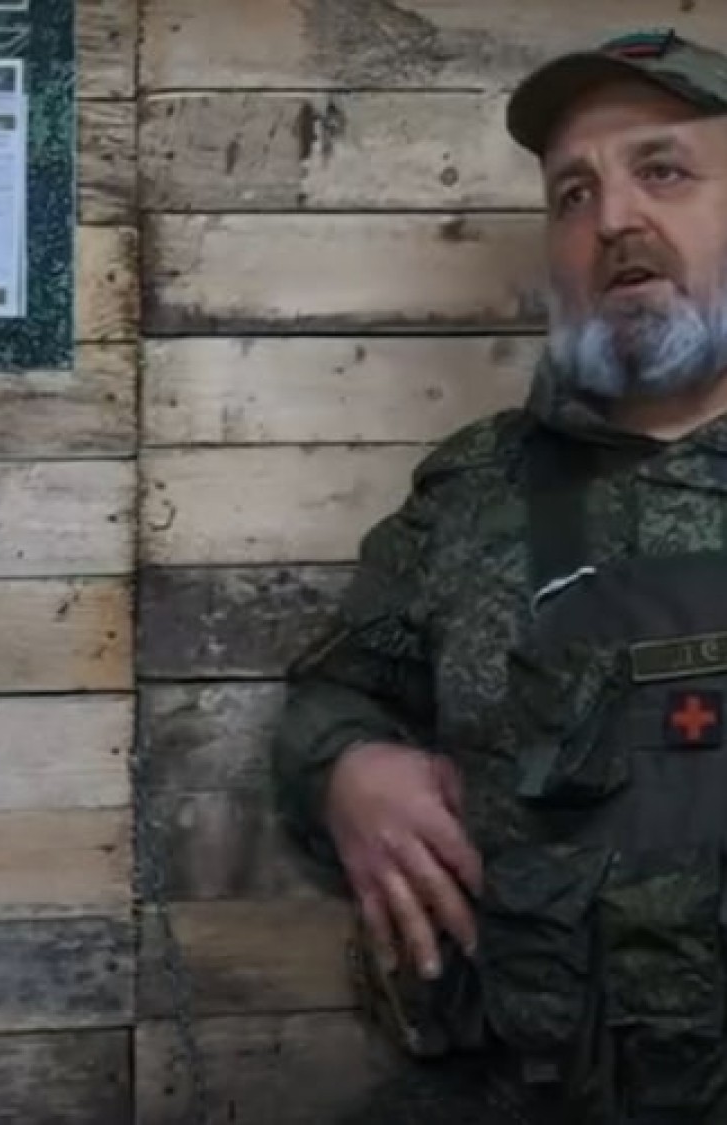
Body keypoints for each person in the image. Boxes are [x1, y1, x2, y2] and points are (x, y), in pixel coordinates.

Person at [272, 27, 727, 1124]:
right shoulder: (473, 492)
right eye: (573, 194)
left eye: (663, 171)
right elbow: (332, 694)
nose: (613, 219)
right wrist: (347, 771)